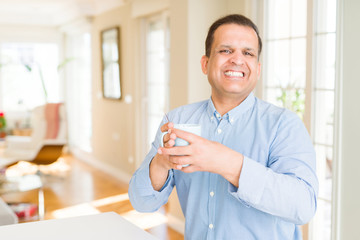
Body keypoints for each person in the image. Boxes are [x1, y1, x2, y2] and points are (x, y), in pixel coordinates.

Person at [129, 14, 318, 240]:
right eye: (226, 50)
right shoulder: (177, 120)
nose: (237, 60)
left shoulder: (284, 125)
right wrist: (161, 162)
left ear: (257, 70)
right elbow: (141, 202)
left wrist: (226, 162)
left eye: (248, 53)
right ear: (205, 64)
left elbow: (303, 206)